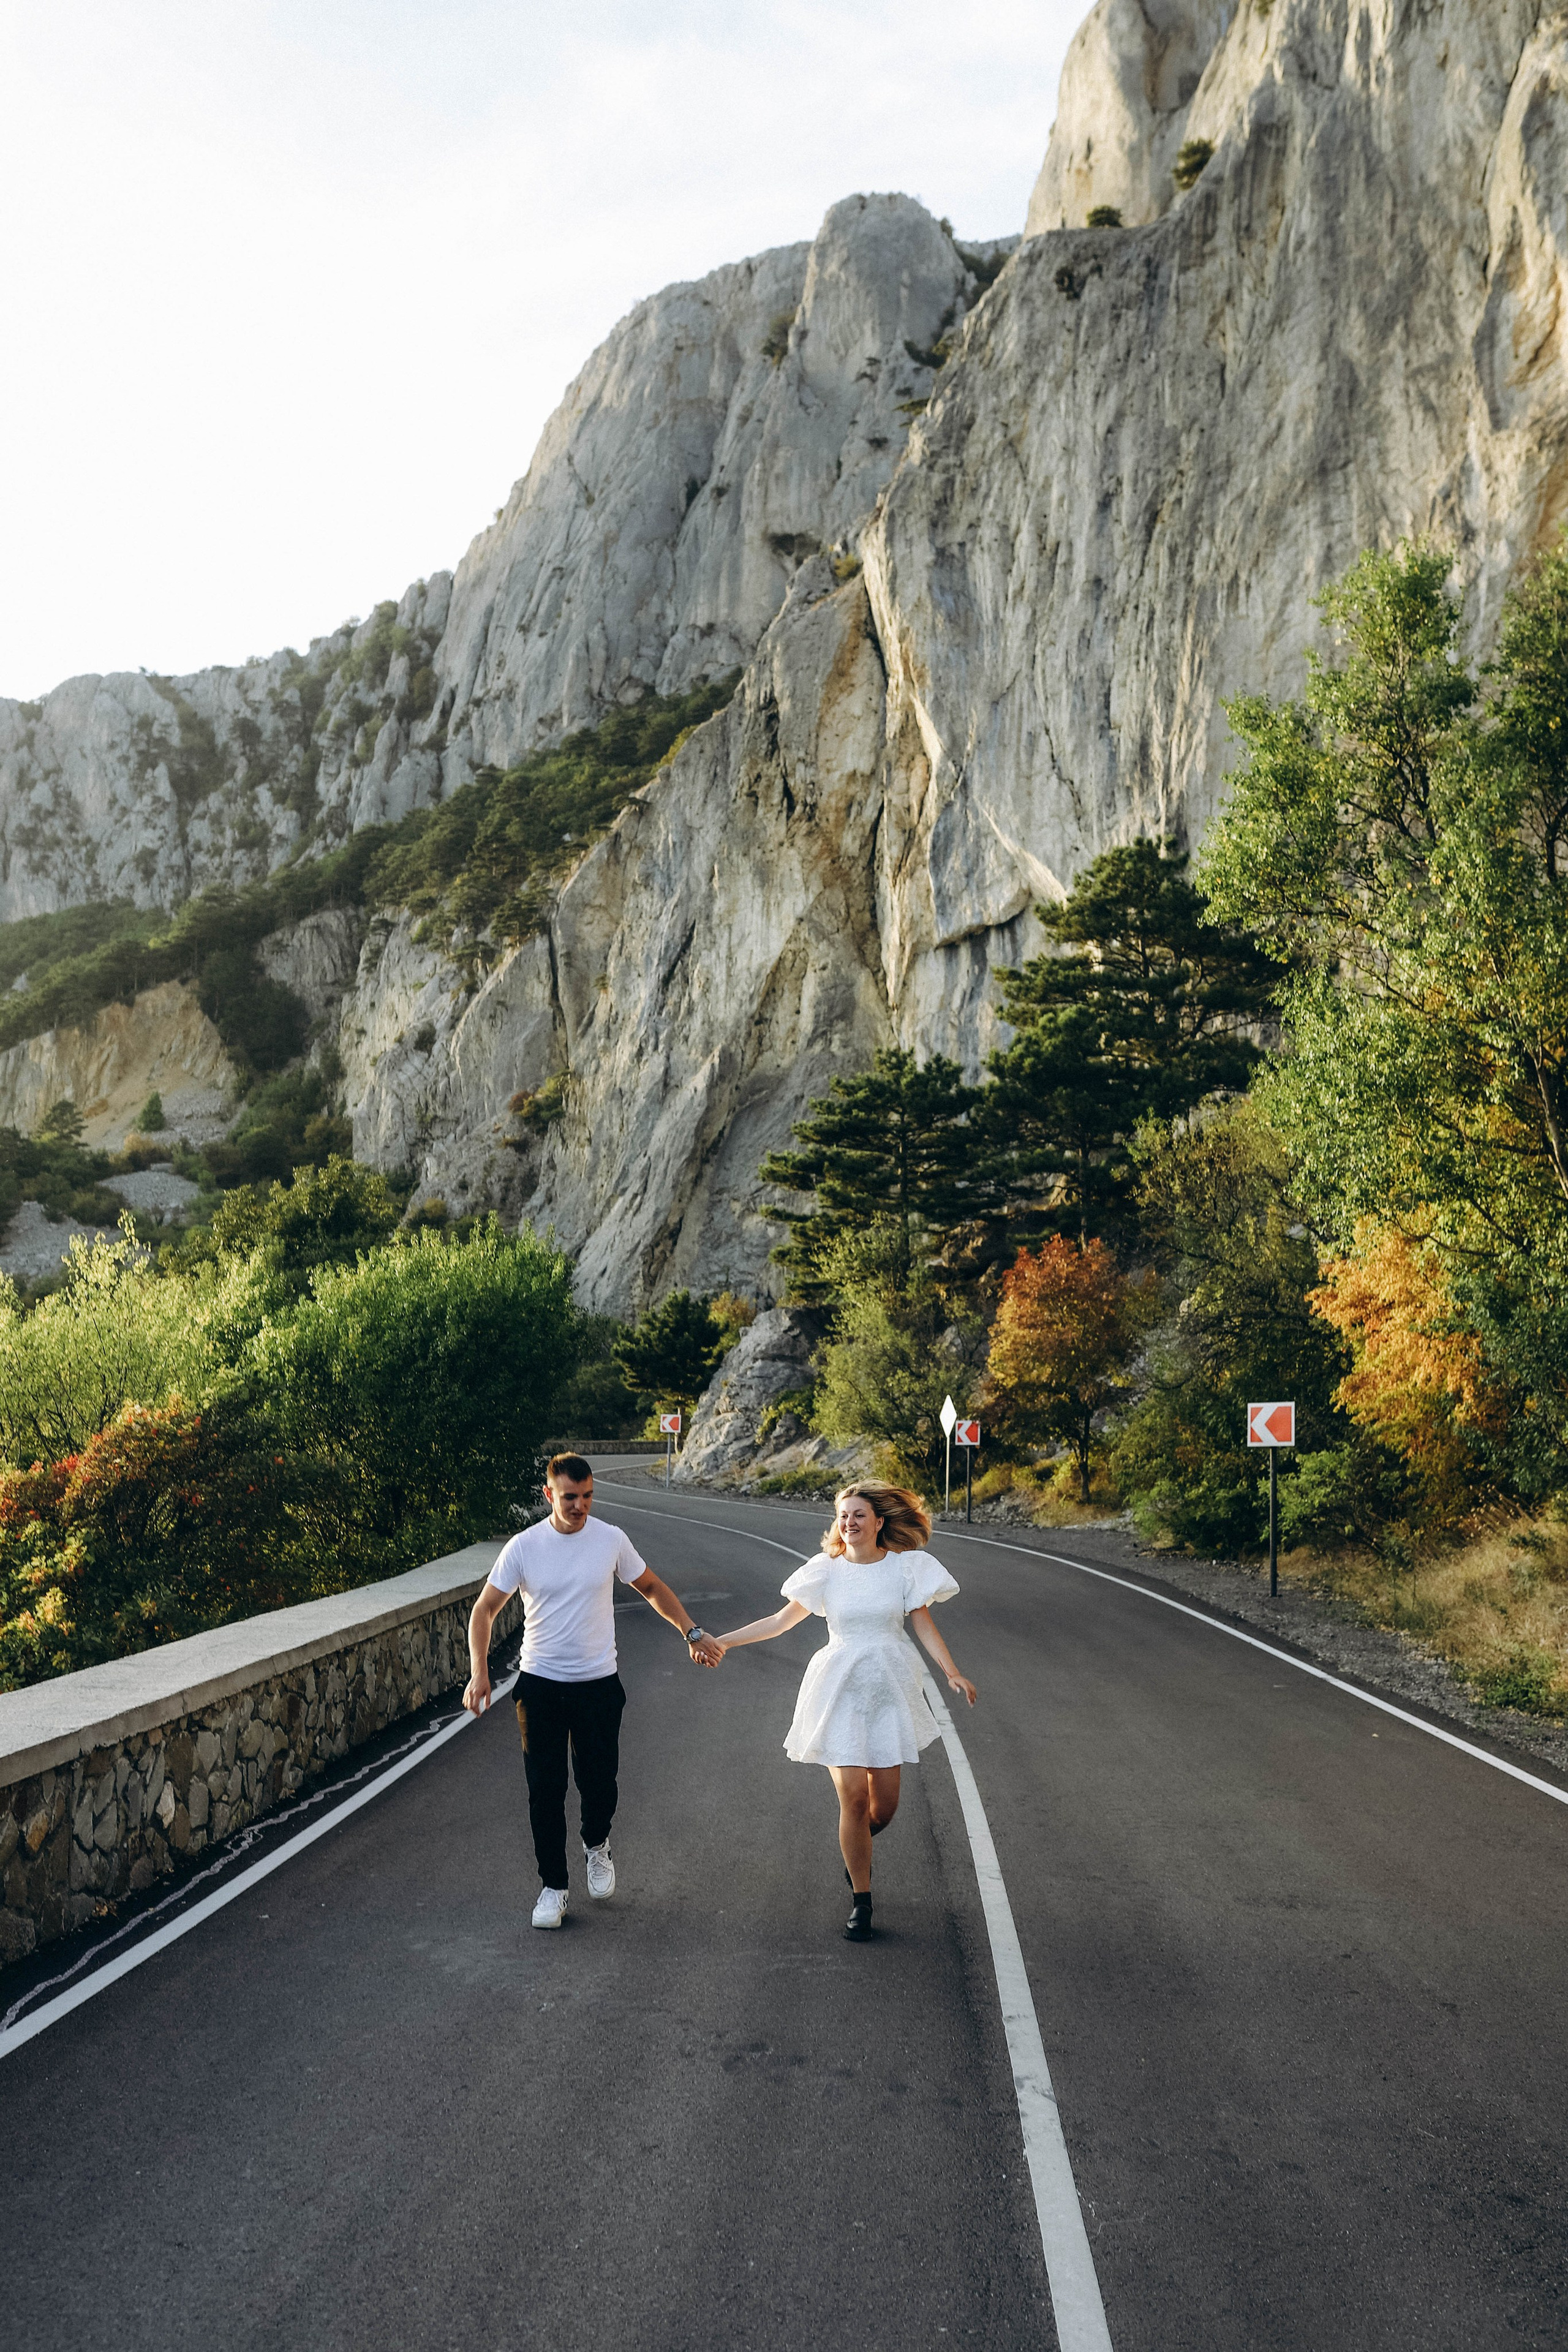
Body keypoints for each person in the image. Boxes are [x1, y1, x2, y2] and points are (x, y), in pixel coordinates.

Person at [463, 1452, 723, 1928]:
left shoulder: (611, 1540)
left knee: (599, 1785)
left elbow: (650, 1587)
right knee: (546, 1789)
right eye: (569, 1497)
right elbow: (484, 1611)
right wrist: (480, 1672)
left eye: (587, 1497)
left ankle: (596, 1844)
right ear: (549, 1495)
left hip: (598, 1685)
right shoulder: (524, 1547)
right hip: (539, 1684)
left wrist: (690, 1632)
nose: (580, 1506)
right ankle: (553, 1888)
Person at [711, 1481, 976, 1942]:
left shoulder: (905, 1570)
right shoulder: (825, 1571)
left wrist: (952, 1672)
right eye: (842, 1515)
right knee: (852, 1799)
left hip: (889, 1689)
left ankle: (857, 1852)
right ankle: (862, 1900)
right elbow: (778, 1623)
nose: (849, 1522)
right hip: (838, 1690)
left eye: (858, 1515)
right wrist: (724, 1641)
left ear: (879, 1522)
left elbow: (924, 1626)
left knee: (883, 1808)